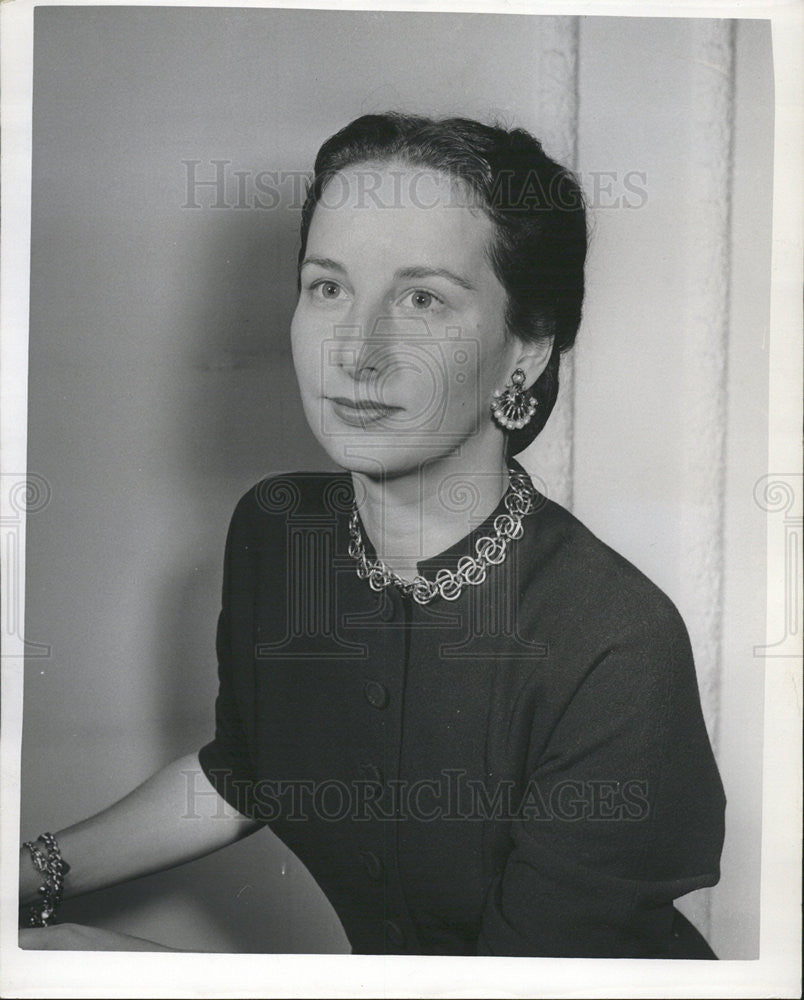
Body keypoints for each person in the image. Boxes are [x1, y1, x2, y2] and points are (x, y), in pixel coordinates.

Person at [19, 113, 725, 958]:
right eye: (329, 287)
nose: (358, 349)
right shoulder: (278, 534)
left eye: (423, 297)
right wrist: (31, 876)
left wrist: (123, 967)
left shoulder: (615, 643)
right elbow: (246, 773)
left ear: (525, 354)